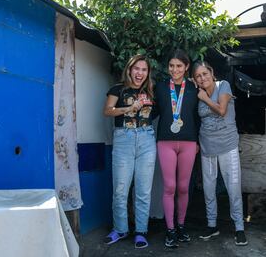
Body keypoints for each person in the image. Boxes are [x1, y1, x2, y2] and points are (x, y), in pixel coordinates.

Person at [192, 61, 248, 246]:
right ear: (195, 79)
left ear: (211, 72)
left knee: (233, 187)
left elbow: (222, 110)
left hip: (227, 145)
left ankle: (239, 227)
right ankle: (211, 225)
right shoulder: (197, 92)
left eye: (205, 74)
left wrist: (204, 98)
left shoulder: (223, 85)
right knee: (209, 188)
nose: (202, 78)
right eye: (198, 76)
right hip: (207, 147)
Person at [103, 55, 156, 249]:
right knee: (120, 188)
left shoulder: (151, 90)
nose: (140, 73)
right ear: (129, 69)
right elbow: (107, 111)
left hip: (147, 139)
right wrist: (128, 108)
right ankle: (120, 228)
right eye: (136, 69)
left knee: (143, 190)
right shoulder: (118, 89)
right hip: (123, 139)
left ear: (147, 73)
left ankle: (141, 232)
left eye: (144, 70)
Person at [155, 49, 199, 248]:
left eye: (179, 66)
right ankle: (170, 229)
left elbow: (198, 116)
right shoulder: (160, 87)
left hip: (189, 142)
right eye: (171, 66)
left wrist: (198, 141)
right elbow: (153, 111)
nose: (175, 70)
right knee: (170, 187)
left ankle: (181, 226)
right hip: (165, 141)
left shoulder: (193, 88)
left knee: (183, 187)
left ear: (186, 67)